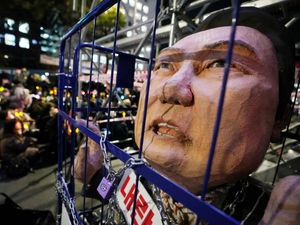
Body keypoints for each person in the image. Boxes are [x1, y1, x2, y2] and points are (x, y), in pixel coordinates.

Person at [75, 6, 296, 225]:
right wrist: (95, 175)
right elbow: (116, 197)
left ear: (280, 119)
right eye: (165, 65)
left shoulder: (261, 213)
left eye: (222, 64)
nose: (170, 89)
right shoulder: (140, 176)